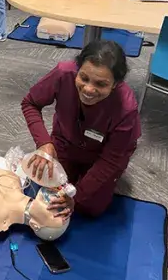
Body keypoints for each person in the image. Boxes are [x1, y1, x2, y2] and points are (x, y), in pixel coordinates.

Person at [20, 40, 142, 218]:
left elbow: (111, 160)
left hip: (103, 155)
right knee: (49, 191)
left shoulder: (126, 107)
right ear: (77, 69)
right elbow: (30, 103)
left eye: (101, 84)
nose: (89, 89)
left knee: (89, 207)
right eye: (83, 78)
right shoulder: (63, 73)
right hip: (65, 142)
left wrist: (77, 196)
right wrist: (44, 143)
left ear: (115, 84)